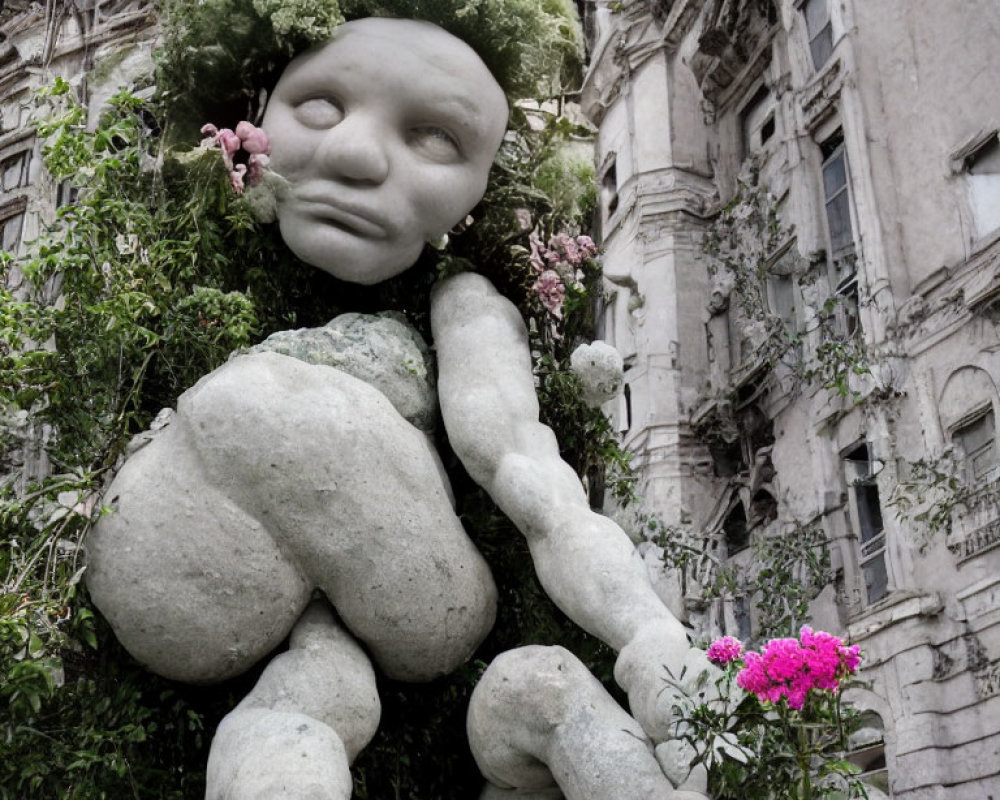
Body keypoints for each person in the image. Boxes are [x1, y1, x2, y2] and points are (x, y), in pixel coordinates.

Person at [86, 16, 713, 800]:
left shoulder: (464, 311)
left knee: (521, 687)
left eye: (436, 137)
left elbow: (532, 481)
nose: (356, 154)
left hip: (418, 646)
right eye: (319, 106)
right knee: (262, 427)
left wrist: (653, 642)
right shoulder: (185, 276)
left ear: (480, 193)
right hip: (200, 579)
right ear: (255, 112)